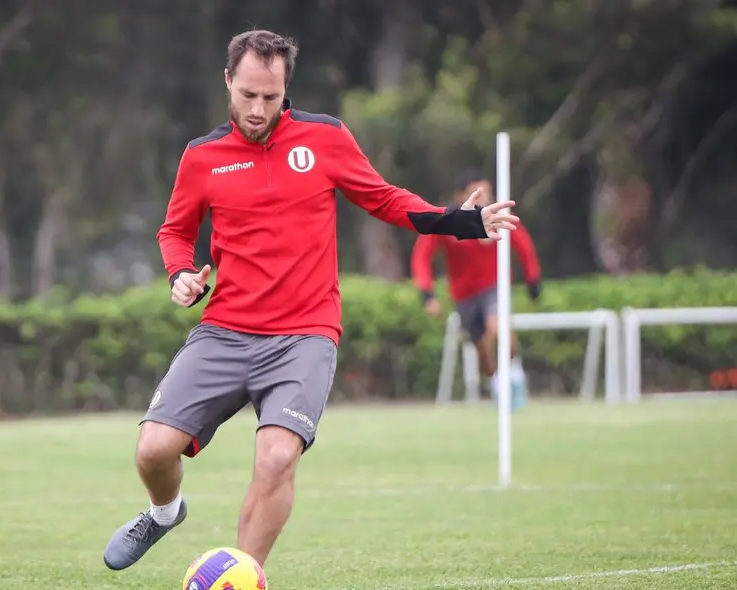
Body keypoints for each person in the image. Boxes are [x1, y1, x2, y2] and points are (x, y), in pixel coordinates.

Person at [102, 29, 522, 572]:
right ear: (228, 82)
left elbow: (383, 198)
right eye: (248, 95)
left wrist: (461, 222)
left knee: (277, 457)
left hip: (305, 336)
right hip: (225, 329)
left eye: (270, 97)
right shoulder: (202, 156)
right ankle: (164, 514)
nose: (258, 109)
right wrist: (181, 274)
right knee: (153, 449)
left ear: (286, 89)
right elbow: (175, 231)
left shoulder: (325, 138)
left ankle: (243, 576)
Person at [410, 170, 542, 408]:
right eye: (477, 193)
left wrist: (533, 279)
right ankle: (496, 384)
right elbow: (422, 257)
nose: (484, 198)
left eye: (487, 193)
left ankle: (515, 374)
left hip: (495, 286)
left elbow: (523, 244)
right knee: (481, 348)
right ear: (461, 196)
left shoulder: (498, 215)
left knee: (497, 327)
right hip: (463, 295)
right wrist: (426, 293)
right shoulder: (447, 221)